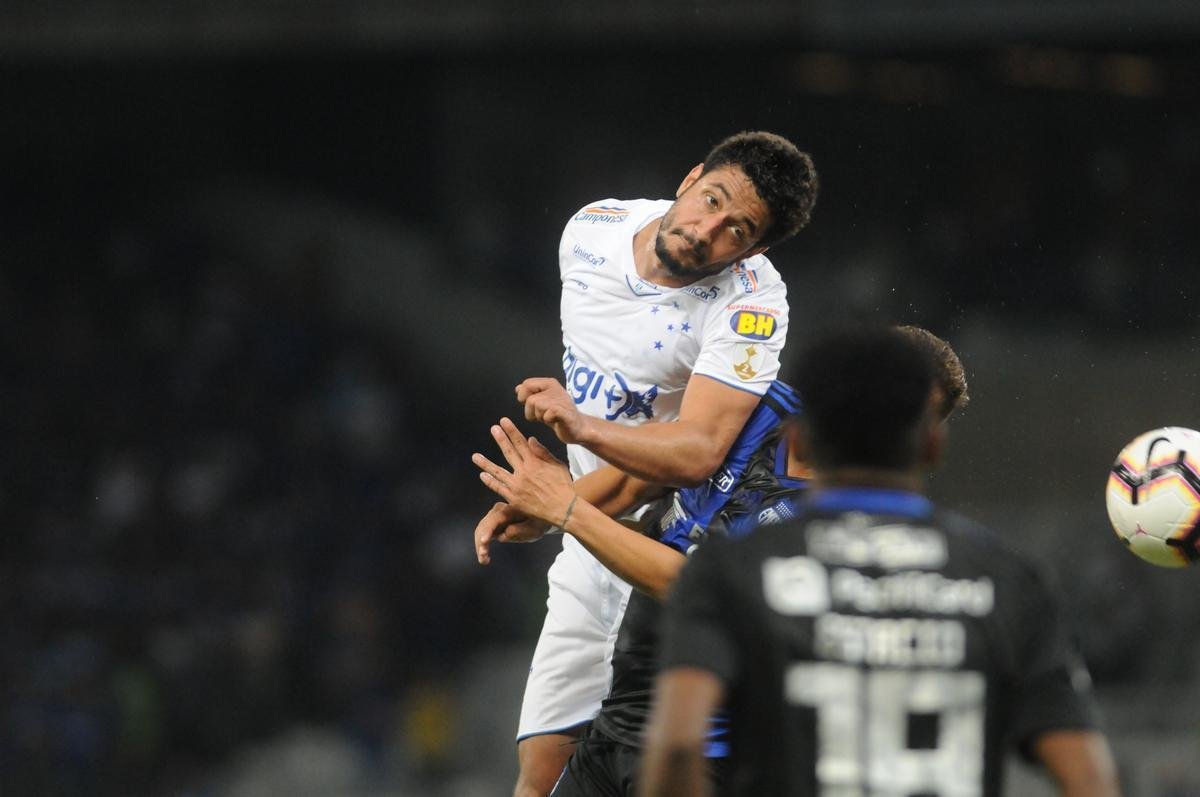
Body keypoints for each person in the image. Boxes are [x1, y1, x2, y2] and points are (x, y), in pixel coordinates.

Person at [474, 327, 970, 795]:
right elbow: (645, 476)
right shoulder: (759, 404)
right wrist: (545, 513)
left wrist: (568, 509)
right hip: (626, 698)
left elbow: (694, 585)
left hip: (710, 738)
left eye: (906, 416)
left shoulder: (851, 521)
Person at [473, 132, 819, 796]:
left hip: (668, 548)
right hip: (587, 534)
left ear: (755, 248)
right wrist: (549, 506)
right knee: (541, 773)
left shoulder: (751, 301)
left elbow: (694, 454)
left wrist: (579, 437)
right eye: (711, 199)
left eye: (736, 230)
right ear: (691, 176)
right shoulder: (590, 233)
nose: (706, 231)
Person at [639, 327, 1121, 797]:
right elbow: (1088, 779)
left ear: (800, 439)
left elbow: (679, 747)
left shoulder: (731, 571)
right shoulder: (1008, 581)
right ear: (933, 444)